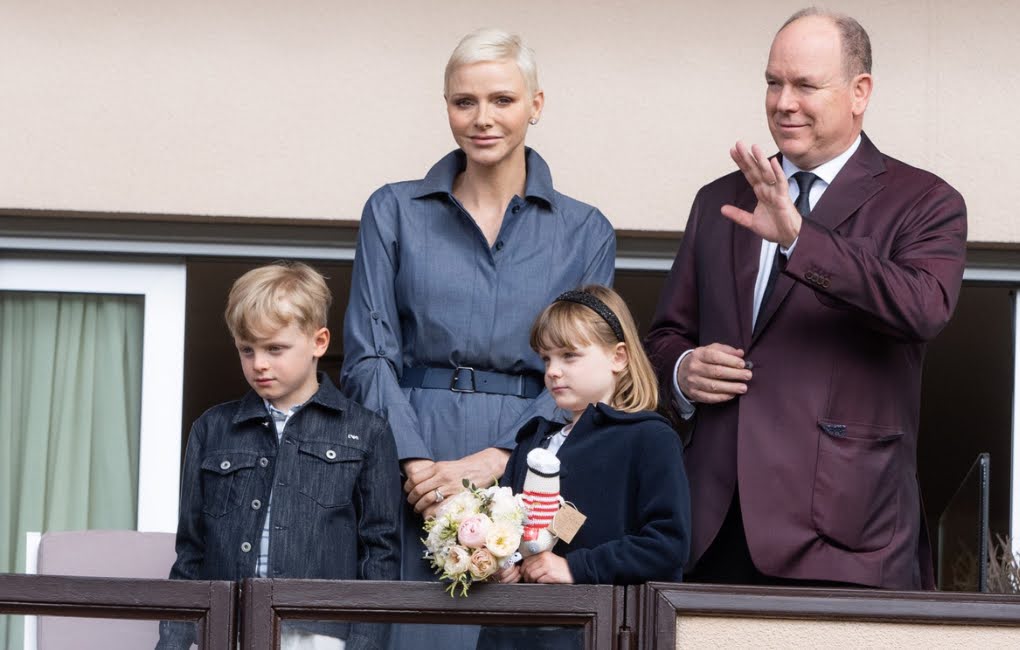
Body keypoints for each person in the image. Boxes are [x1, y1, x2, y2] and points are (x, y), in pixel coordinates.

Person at [645, 8, 967, 590]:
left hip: (849, 534)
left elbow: (923, 307)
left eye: (805, 85)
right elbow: (666, 334)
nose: (783, 101)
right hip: (715, 528)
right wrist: (684, 371)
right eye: (773, 82)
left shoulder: (925, 200)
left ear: (859, 92)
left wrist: (800, 239)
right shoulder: (718, 201)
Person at [340, 27, 615, 649]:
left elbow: (584, 373)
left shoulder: (586, 230)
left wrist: (498, 460)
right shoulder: (393, 211)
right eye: (465, 102)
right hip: (407, 454)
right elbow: (368, 357)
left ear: (535, 106)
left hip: (533, 463)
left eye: (502, 100)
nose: (482, 118)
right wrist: (417, 469)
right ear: (446, 108)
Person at [158, 262, 400, 650]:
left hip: (320, 635)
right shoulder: (212, 429)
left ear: (319, 342)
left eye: (275, 348)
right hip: (225, 628)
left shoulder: (368, 432)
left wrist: (364, 645)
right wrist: (174, 643)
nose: (259, 364)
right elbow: (191, 553)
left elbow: (380, 556)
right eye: (246, 350)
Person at [478, 285, 690, 648]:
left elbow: (667, 545)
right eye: (546, 359)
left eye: (569, 356)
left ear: (619, 357)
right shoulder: (533, 440)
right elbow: (512, 534)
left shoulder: (648, 438)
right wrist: (501, 565)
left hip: (596, 634)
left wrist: (577, 567)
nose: (553, 372)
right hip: (512, 634)